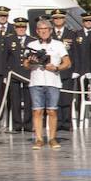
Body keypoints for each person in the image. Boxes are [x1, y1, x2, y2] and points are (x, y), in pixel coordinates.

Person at [24, 18, 71, 149]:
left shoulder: (58, 44)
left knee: (52, 110)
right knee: (37, 111)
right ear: (37, 31)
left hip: (53, 81)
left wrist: (56, 68)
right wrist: (31, 62)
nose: (43, 32)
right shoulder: (32, 45)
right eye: (41, 30)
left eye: (46, 30)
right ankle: (39, 139)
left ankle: (52, 138)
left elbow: (67, 63)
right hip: (36, 80)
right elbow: (25, 64)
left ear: (50, 31)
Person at [4, 16, 34, 134]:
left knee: (29, 100)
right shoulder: (9, 40)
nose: (21, 29)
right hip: (14, 73)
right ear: (15, 28)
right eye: (18, 27)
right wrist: (6, 75)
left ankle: (28, 124)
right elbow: (4, 58)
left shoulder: (31, 40)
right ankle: (16, 124)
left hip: (27, 73)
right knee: (15, 99)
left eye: (23, 27)